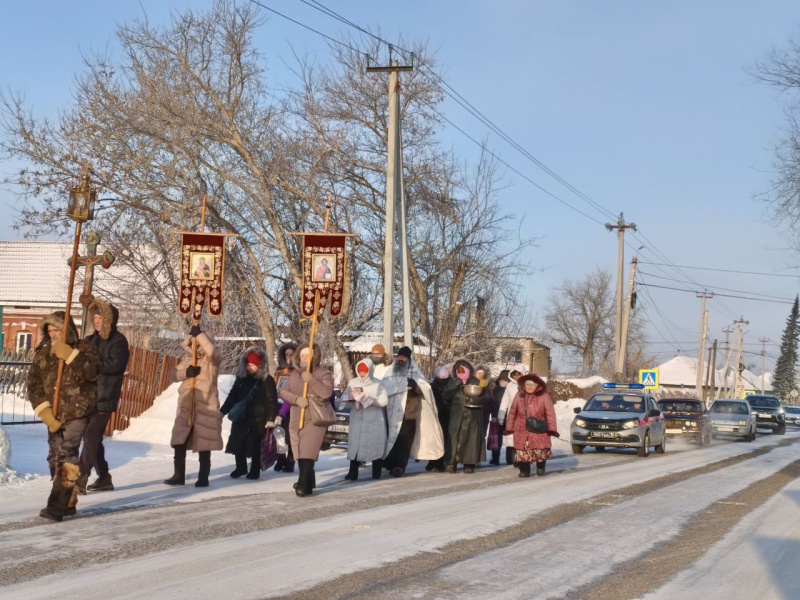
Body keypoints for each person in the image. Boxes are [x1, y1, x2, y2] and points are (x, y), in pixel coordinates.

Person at [27, 311, 99, 521]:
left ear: (66, 330)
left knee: (67, 454)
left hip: (79, 410)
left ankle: (56, 506)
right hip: (55, 413)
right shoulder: (43, 354)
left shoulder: (84, 349)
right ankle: (69, 502)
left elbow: (92, 373)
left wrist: (70, 356)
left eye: (57, 330)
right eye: (49, 331)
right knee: (54, 457)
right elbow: (33, 385)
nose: (53, 334)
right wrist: (45, 412)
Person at [77, 299, 130, 494]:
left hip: (105, 397)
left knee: (91, 435)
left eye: (101, 318)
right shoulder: (90, 339)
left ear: (110, 320)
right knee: (93, 438)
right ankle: (104, 477)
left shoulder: (119, 341)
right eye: (95, 317)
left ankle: (81, 477)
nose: (97, 321)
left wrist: (91, 363)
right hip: (88, 397)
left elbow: (114, 366)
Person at [164, 325, 223, 488]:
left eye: (201, 343)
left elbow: (212, 353)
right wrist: (187, 373)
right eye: (195, 343)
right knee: (179, 441)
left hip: (205, 408)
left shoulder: (212, 362)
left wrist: (200, 335)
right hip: (185, 408)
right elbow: (173, 375)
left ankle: (203, 477)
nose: (198, 346)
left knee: (204, 443)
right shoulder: (189, 360)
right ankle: (178, 475)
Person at [279, 342, 334, 497]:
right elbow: (283, 391)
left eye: (307, 355)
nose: (304, 357)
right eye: (302, 355)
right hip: (297, 417)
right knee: (299, 450)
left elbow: (327, 393)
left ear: (314, 357)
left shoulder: (324, 373)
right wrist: (296, 399)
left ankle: (303, 485)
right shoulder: (295, 374)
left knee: (308, 451)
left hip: (315, 419)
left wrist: (311, 380)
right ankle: (308, 479)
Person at [382, 347, 444, 477]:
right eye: (399, 356)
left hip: (409, 413)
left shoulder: (415, 373)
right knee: (392, 439)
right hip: (392, 413)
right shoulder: (390, 372)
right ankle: (390, 463)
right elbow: (383, 387)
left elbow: (425, 389)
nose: (401, 359)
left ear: (408, 359)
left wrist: (415, 386)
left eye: (404, 357)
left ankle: (400, 466)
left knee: (405, 441)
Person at [220, 347, 279, 480]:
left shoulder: (266, 379)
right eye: (247, 364)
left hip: (258, 418)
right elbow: (232, 397)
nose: (249, 367)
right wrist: (222, 411)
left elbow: (272, 400)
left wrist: (271, 418)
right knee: (238, 442)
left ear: (259, 365)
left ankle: (255, 470)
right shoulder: (241, 379)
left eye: (252, 364)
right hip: (241, 417)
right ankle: (240, 467)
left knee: (255, 446)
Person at [339, 359, 388, 481]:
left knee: (374, 447)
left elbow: (384, 401)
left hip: (373, 422)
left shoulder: (378, 384)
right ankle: (352, 472)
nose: (362, 373)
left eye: (364, 371)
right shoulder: (353, 382)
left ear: (370, 370)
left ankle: (376, 472)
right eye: (360, 371)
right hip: (357, 420)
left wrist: (369, 399)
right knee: (355, 446)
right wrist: (350, 398)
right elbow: (343, 398)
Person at [504, 373, 558, 477]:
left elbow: (550, 414)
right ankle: (524, 470)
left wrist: (552, 429)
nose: (529, 387)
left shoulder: (545, 397)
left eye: (532, 385)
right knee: (522, 450)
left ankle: (540, 467)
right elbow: (512, 412)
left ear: (537, 386)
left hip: (538, 428)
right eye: (527, 385)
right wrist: (509, 427)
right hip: (521, 427)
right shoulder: (519, 395)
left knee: (539, 450)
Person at [442, 359, 489, 474]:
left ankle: (469, 463)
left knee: (470, 438)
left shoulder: (476, 382)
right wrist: (456, 384)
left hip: (473, 415)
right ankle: (451, 462)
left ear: (468, 370)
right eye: (459, 371)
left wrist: (476, 399)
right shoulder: (453, 382)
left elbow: (486, 396)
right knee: (454, 438)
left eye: (463, 371)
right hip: (456, 414)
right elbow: (445, 395)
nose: (461, 374)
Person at [273, 342, 297, 473]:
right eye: (286, 354)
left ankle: (291, 459)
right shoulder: (279, 370)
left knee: (291, 434)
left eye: (291, 354)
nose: (288, 357)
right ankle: (281, 457)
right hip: (279, 404)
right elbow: (275, 386)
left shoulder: (298, 371)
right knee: (279, 434)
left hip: (293, 406)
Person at [497, 363, 528, 465]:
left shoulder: (528, 385)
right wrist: (501, 417)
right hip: (512, 416)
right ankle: (510, 458)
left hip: (524, 417)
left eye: (519, 374)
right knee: (511, 438)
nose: (516, 376)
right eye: (515, 374)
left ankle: (520, 459)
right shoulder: (510, 386)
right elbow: (504, 402)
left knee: (522, 438)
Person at [426, 365, 452, 472]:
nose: (441, 380)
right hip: (435, 414)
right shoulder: (433, 386)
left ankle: (440, 461)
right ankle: (433, 460)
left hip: (446, 415)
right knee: (434, 438)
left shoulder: (450, 385)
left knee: (443, 439)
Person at [486, 370, 509, 466]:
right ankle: (495, 458)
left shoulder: (511, 390)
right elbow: (492, 404)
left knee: (510, 439)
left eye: (505, 381)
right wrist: (493, 415)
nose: (503, 383)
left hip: (509, 418)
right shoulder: (494, 391)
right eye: (501, 381)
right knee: (496, 439)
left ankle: (511, 458)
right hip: (497, 418)